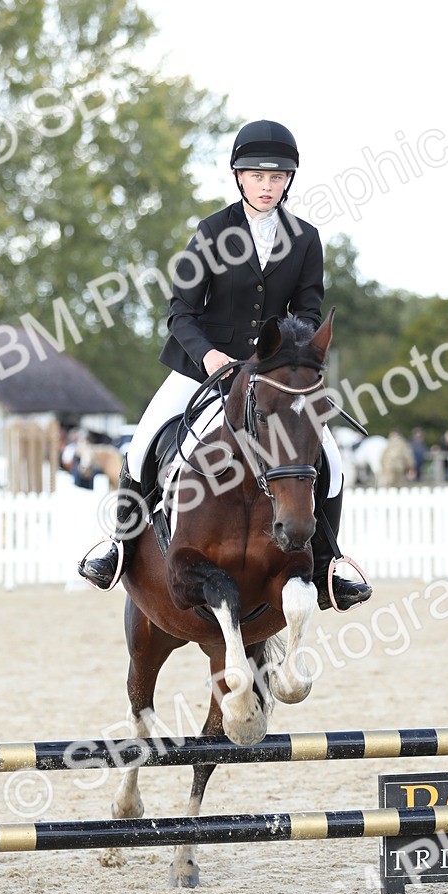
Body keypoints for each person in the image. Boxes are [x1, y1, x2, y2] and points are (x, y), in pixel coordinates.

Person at [79, 120, 372, 611]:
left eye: (277, 178)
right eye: (257, 176)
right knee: (143, 444)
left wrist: (285, 355)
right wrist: (212, 356)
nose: (267, 186)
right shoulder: (213, 232)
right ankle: (118, 546)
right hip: (204, 366)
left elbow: (308, 311)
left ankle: (327, 566)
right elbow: (180, 311)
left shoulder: (305, 239)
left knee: (332, 462)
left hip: (274, 376)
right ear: (239, 177)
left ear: (289, 182)